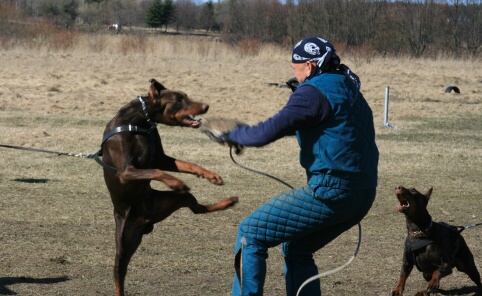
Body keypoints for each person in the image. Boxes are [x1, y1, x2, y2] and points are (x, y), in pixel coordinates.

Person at [221, 37, 379, 296]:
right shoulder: (348, 87)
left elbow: (268, 130)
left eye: (295, 68)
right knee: (297, 249)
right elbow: (323, 125)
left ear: (309, 65)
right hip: (363, 194)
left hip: (331, 191)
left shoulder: (313, 92)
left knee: (250, 232)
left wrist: (237, 134)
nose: (294, 73)